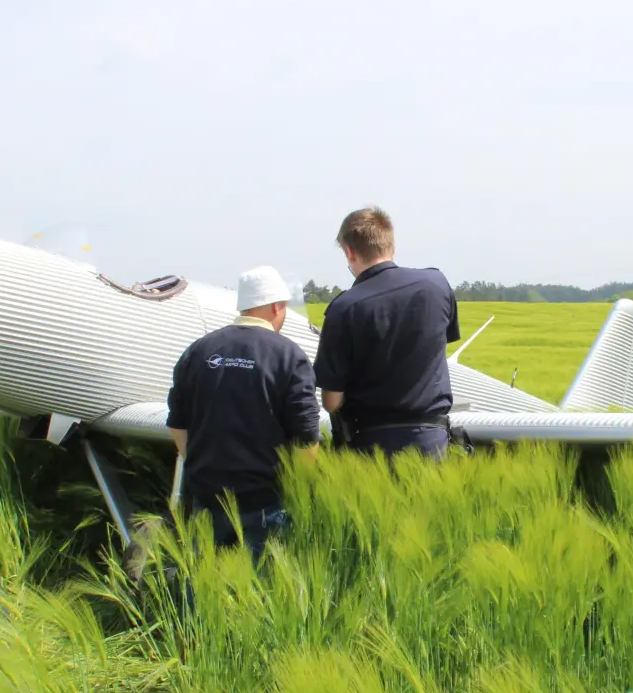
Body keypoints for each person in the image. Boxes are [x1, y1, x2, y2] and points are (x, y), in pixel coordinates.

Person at [165, 265, 320, 561]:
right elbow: (306, 438)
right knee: (262, 596)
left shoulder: (197, 351)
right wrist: (295, 490)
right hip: (265, 502)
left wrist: (201, 467)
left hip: (207, 500)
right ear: (276, 306)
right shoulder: (289, 356)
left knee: (202, 592)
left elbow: (177, 425)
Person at [315, 206, 461, 460]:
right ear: (390, 243)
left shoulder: (343, 308)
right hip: (432, 442)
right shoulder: (436, 285)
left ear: (349, 252)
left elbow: (331, 402)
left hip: (370, 448)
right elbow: (437, 347)